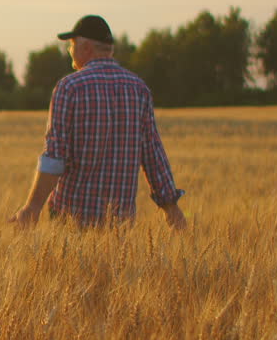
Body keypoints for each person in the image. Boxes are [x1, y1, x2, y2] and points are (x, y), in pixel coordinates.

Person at [10, 15, 187, 230]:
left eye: (72, 45)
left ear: (86, 48)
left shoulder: (70, 87)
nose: (69, 51)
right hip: (120, 223)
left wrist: (32, 208)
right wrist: (171, 208)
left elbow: (55, 156)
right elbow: (152, 154)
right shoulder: (139, 89)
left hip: (72, 219)